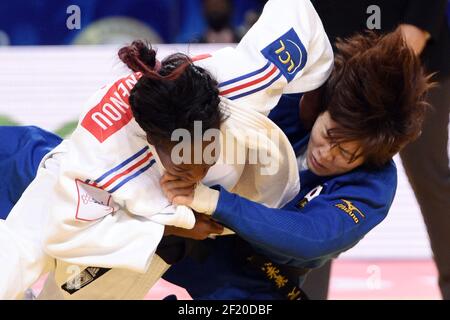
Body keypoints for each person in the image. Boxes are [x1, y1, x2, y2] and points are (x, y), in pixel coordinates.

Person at [0, 0, 333, 299]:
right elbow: (64, 234)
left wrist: (316, 98)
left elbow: (298, 13)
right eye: (182, 168)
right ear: (154, 142)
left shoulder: (247, 79)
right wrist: (169, 227)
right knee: (14, 267)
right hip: (81, 200)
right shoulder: (102, 160)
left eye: (204, 152)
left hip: (189, 195)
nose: (196, 172)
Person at [160, 29, 433, 300]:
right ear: (324, 107)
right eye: (328, 134)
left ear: (369, 158)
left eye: (346, 154)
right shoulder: (293, 97)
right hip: (171, 221)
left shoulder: (374, 185)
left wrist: (212, 201)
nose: (326, 154)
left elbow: (312, 237)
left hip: (250, 272)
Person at [305, 0, 450, 300]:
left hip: (420, 68)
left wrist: (364, 92)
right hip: (330, 61)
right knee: (313, 181)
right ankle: (301, 293)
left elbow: (414, 33)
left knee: (433, 183)